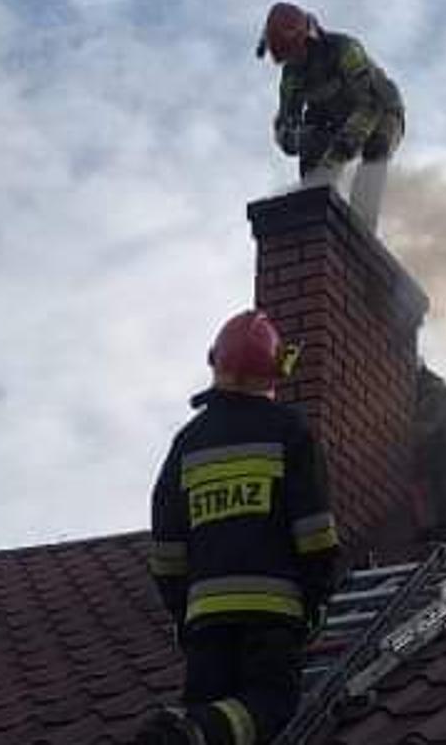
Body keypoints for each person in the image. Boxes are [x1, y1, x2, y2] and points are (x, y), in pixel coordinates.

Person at [134, 309, 342, 745]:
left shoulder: (188, 442)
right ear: (274, 370)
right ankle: (194, 730)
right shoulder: (288, 430)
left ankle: (190, 729)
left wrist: (183, 610)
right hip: (272, 614)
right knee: (272, 704)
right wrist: (318, 597)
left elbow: (167, 549)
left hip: (206, 621)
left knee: (210, 712)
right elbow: (315, 532)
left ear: (217, 363)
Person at [258, 1, 404, 232]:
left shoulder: (345, 50)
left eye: (292, 52)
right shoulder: (291, 77)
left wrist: (339, 153)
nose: (291, 61)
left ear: (307, 40)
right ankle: (313, 218)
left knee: (376, 151)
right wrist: (296, 139)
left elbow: (371, 103)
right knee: (312, 152)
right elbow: (286, 121)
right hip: (334, 121)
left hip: (381, 110)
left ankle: (362, 232)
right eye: (284, 57)